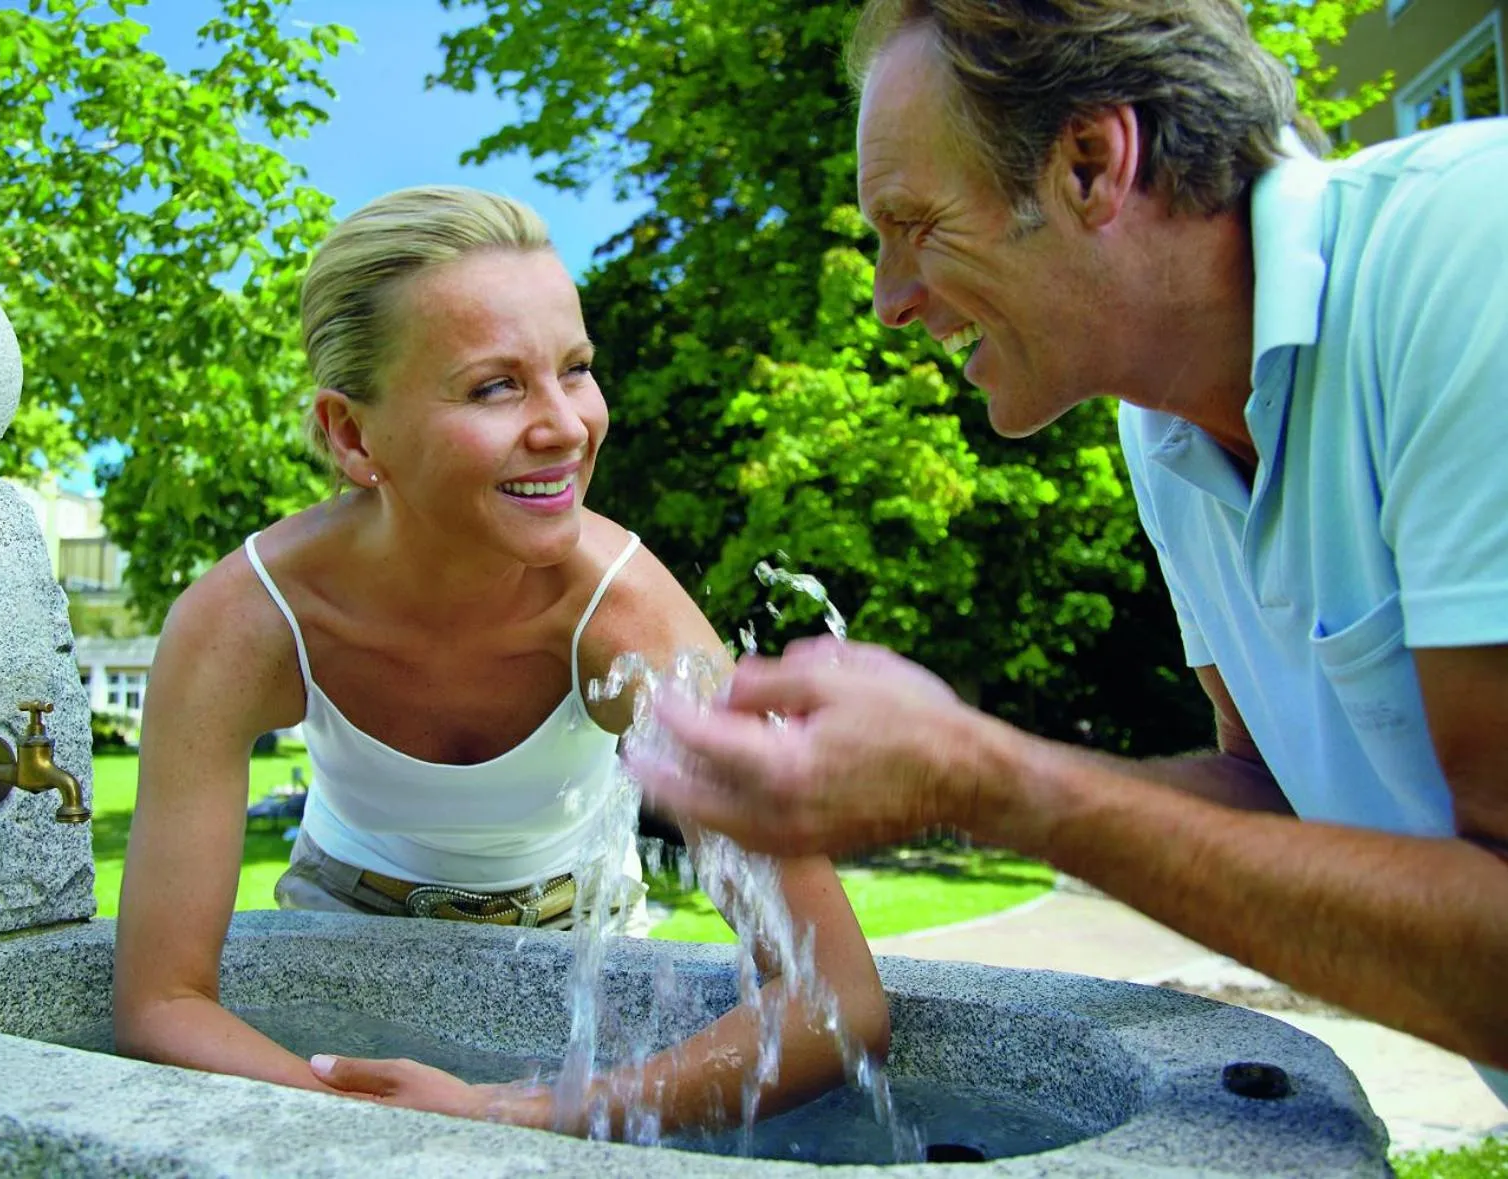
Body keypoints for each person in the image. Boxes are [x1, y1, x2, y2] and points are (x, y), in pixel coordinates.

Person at [628, 0, 1508, 1101]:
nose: (890, 302)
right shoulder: (1164, 428)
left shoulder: (1470, 252)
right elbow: (1273, 799)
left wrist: (986, 777)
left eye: (914, 223)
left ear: (1091, 164)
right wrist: (940, 765)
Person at [111, 185, 889, 1136]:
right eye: (494, 386)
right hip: (343, 932)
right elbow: (161, 1000)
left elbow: (836, 999)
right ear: (352, 433)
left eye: (576, 369)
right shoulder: (246, 623)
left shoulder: (628, 620)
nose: (567, 426)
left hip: (581, 946)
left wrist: (506, 1111)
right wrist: (370, 1126)